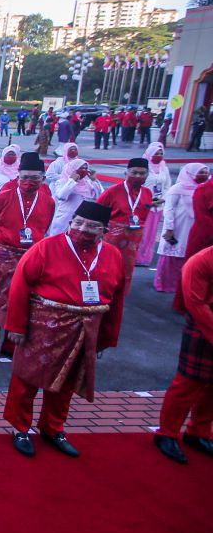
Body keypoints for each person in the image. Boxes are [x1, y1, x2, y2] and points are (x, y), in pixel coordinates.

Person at [3, 201, 127, 459]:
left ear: (104, 230)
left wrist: (107, 336)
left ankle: (53, 427)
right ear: (70, 223)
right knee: (27, 378)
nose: (83, 229)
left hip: (85, 326)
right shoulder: (47, 248)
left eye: (92, 226)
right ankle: (20, 428)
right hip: (45, 324)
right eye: (78, 223)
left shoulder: (113, 255)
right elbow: (19, 285)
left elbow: (117, 299)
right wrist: (15, 326)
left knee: (67, 381)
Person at [0, 153, 54, 365]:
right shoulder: (4, 197)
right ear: (18, 176)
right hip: (5, 254)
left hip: (32, 256)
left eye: (35, 178)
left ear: (43, 178)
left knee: (24, 301)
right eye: (25, 177)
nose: (29, 182)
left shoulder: (47, 201)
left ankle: (10, 345)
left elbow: (44, 227)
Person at [154, 245, 213, 464]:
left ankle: (199, 433)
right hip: (203, 326)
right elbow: (196, 303)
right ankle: (167, 433)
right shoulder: (201, 261)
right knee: (188, 384)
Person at [97, 158, 155, 282]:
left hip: (133, 240)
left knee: (126, 272)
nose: (138, 176)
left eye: (142, 173)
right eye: (134, 173)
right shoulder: (112, 191)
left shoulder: (147, 193)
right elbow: (98, 214)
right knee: (107, 269)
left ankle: (120, 297)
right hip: (113, 239)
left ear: (147, 175)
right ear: (126, 173)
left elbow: (144, 216)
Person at [155, 164, 208, 294]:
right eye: (200, 172)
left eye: (206, 172)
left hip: (194, 226)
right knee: (172, 253)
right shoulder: (177, 189)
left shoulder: (203, 189)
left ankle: (183, 285)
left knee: (188, 255)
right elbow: (169, 209)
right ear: (190, 173)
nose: (204, 175)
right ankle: (165, 284)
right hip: (178, 226)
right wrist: (169, 227)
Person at [136, 143, 172, 267]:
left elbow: (167, 186)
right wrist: (147, 200)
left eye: (161, 153)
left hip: (158, 206)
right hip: (144, 205)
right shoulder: (142, 167)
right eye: (156, 153)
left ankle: (145, 258)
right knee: (141, 232)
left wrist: (162, 199)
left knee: (151, 233)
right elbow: (137, 186)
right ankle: (135, 257)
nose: (159, 156)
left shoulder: (164, 168)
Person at [48, 159, 102, 236]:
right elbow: (62, 196)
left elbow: (98, 196)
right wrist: (72, 181)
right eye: (81, 168)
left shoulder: (87, 183)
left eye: (86, 168)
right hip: (65, 220)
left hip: (81, 221)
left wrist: (94, 180)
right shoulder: (62, 181)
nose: (84, 170)